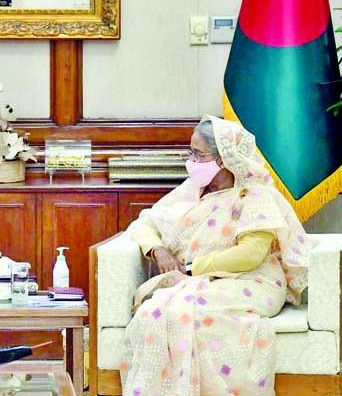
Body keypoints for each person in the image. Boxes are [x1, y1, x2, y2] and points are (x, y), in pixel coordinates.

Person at [120, 115, 309, 396]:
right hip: (196, 279)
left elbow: (250, 255)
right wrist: (157, 250)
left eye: (198, 154)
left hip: (252, 280)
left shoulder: (254, 195)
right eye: (190, 152)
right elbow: (145, 222)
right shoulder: (191, 191)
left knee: (189, 311)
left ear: (222, 160)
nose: (191, 161)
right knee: (152, 311)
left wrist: (192, 268)